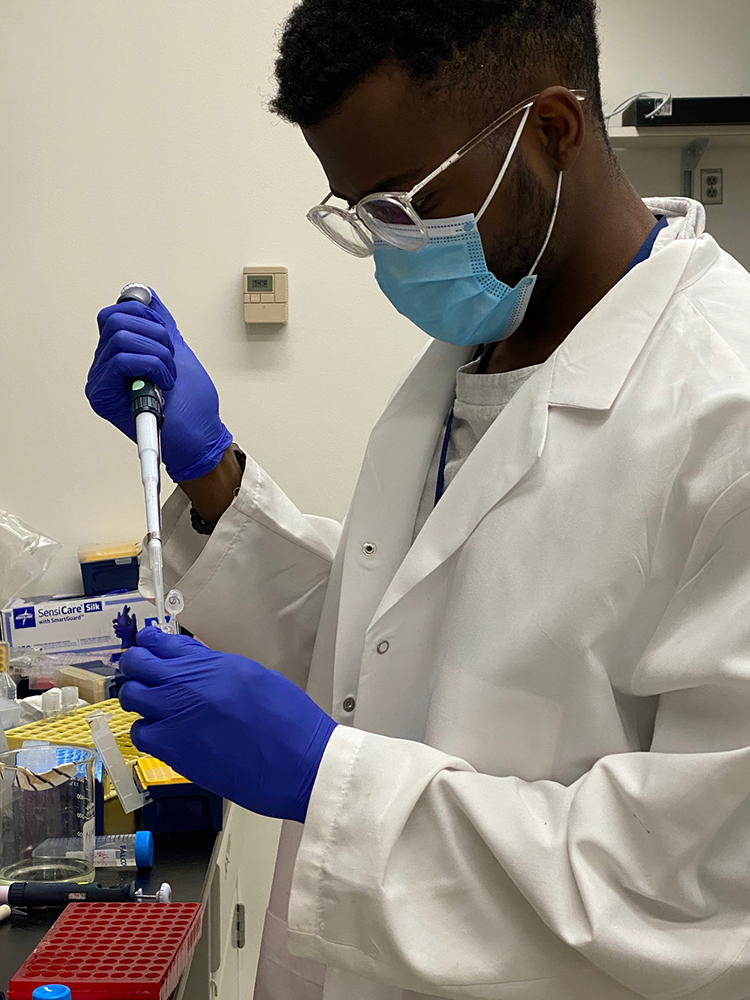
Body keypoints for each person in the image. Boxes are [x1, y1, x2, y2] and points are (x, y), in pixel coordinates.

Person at [85, 1, 750, 998]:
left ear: (554, 130)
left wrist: (326, 782)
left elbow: (694, 891)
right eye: (358, 211)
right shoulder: (474, 351)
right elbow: (384, 648)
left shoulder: (724, 406)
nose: (389, 244)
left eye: (404, 201)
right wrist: (211, 471)